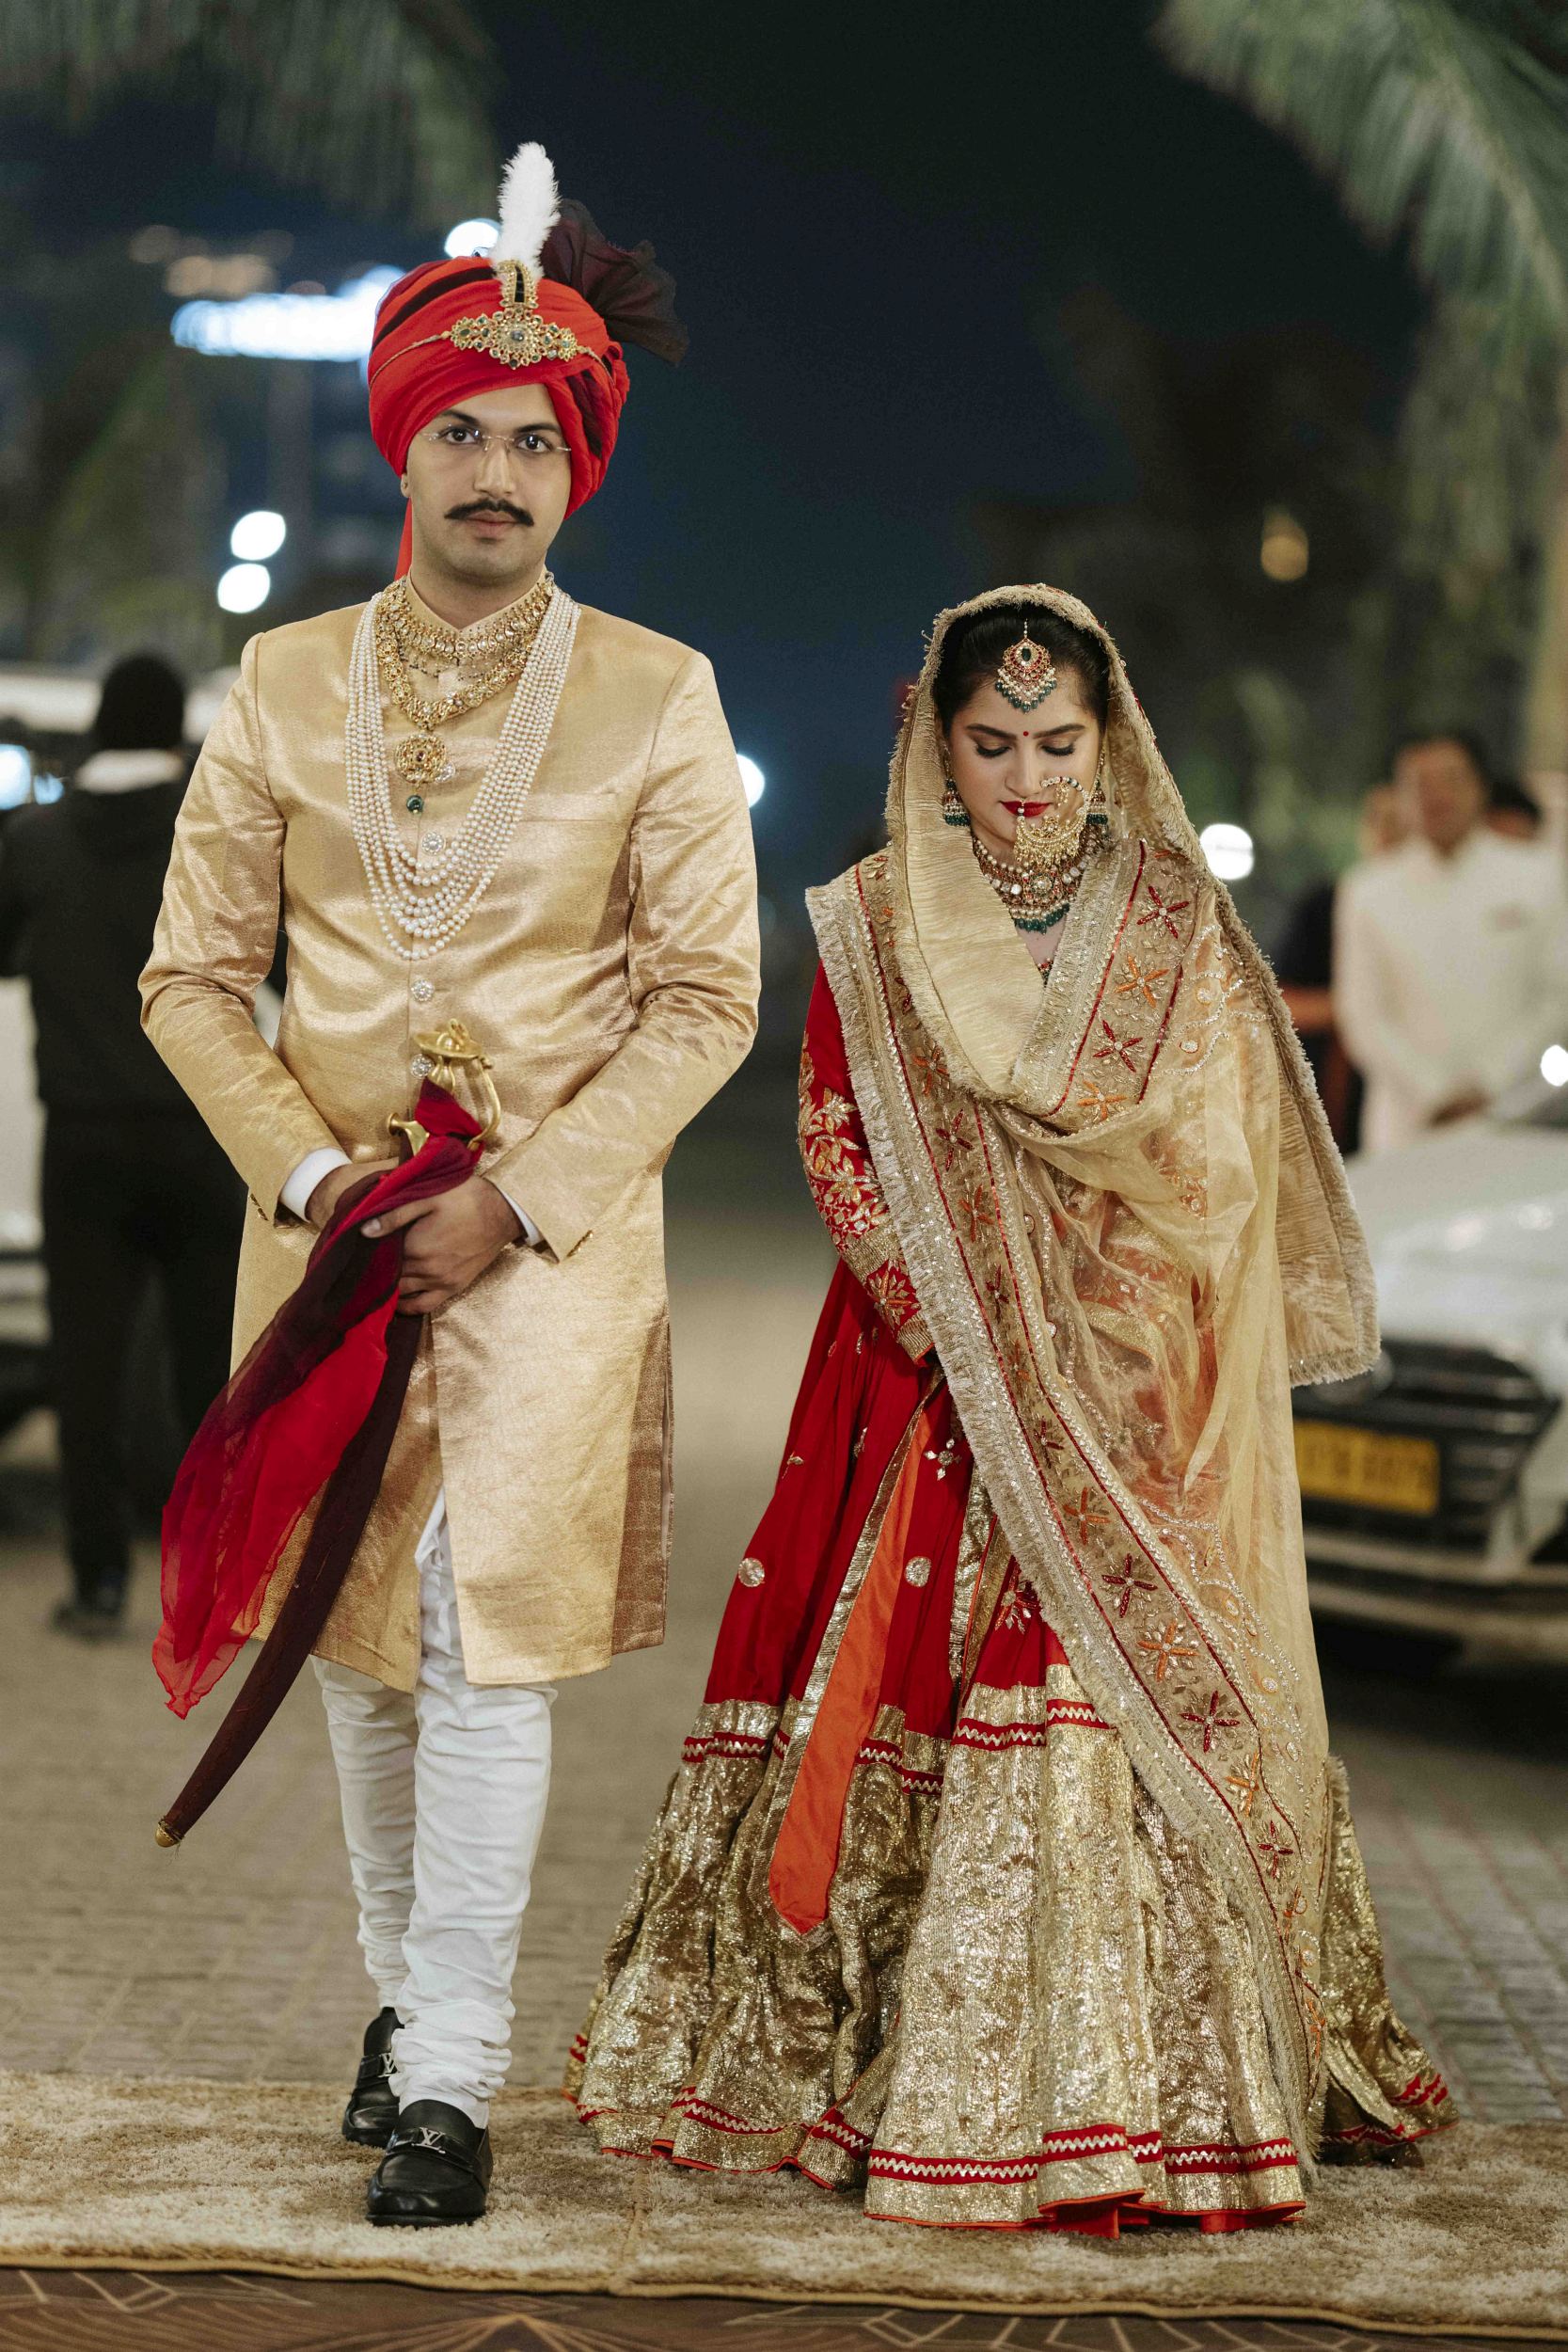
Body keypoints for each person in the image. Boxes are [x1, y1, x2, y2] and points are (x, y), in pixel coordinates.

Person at [569, 587, 1450, 2235]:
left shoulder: (1177, 927)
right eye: (991, 745)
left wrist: (1103, 1332)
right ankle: (903, 2079)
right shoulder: (876, 921)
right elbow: (837, 1137)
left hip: (1138, 1387)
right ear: (937, 744)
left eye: (1057, 743)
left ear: (1109, 747)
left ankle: (1175, 2094)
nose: (1027, 777)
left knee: (1127, 1705)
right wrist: (977, 1333)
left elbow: (1225, 1162)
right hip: (922, 1386)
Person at [139, 142, 759, 2226]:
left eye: (533, 439)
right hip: (324, 1245)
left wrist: (524, 1196)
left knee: (477, 1644)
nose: (496, 469)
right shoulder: (286, 680)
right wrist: (318, 1174)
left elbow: (702, 1000)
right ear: (404, 450)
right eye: (461, 433)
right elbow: (191, 975)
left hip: (542, 1258)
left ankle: (456, 2077)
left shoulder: (659, 693)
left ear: (577, 468)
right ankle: (407, 2010)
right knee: (347, 1639)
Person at [0, 655, 242, 1640]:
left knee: (87, 1366)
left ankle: (98, 1583)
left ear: (99, 725)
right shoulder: (209, 840)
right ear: (176, 736)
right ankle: (216, 1588)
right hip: (199, 1133)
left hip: (84, 1138)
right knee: (206, 1376)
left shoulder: (35, 840)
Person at [1334, 729, 1568, 1155]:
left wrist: (1488, 1083)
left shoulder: (1538, 874)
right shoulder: (1367, 891)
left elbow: (1556, 995)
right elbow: (1363, 1014)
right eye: (1419, 783)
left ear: (1480, 787)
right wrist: (1435, 1092)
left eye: (1451, 779)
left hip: (1519, 1114)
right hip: (1406, 1121)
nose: (1435, 795)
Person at [1274, 784, 1407, 1152]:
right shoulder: (1325, 904)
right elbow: (1278, 1002)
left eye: (1403, 822)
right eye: (1380, 820)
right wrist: (1356, 1007)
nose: (1390, 833)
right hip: (1330, 1087)